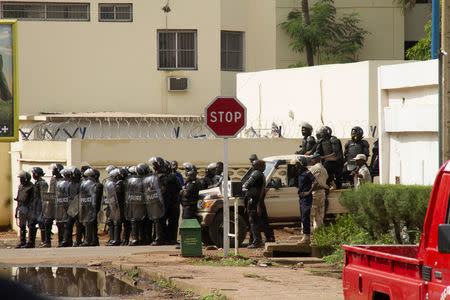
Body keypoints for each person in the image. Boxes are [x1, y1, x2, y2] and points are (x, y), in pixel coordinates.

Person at [243, 159, 266, 248]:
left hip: (254, 201)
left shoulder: (256, 173)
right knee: (254, 221)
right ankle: (253, 240)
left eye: (253, 165)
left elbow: (247, 185)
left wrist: (245, 184)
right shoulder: (260, 174)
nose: (251, 167)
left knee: (253, 222)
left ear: (257, 166)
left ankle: (257, 242)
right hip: (256, 200)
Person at [295, 156, 317, 245]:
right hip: (301, 198)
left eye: (297, 164)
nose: (295, 166)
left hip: (306, 198)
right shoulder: (300, 173)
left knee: (305, 216)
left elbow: (315, 182)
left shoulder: (307, 172)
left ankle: (307, 237)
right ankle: (305, 236)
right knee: (303, 216)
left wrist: (309, 192)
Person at [14, 171, 35, 248]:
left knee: (30, 225)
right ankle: (22, 241)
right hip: (21, 207)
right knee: (22, 225)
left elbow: (33, 199)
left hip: (29, 208)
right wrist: (17, 210)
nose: (21, 180)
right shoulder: (20, 186)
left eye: (22, 178)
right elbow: (18, 198)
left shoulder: (31, 187)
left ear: (26, 179)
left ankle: (31, 242)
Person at [309, 153, 328, 231]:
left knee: (310, 214)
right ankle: (318, 233)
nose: (311, 161)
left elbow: (307, 178)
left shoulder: (313, 168)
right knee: (319, 215)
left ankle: (308, 233)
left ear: (316, 159)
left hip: (315, 193)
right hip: (322, 192)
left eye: (312, 159)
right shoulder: (324, 169)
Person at [31, 167, 49, 248]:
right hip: (36, 204)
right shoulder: (37, 183)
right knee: (32, 223)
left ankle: (44, 241)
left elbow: (43, 195)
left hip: (41, 204)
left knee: (41, 223)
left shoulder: (42, 183)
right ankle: (31, 242)